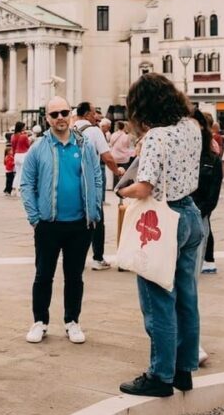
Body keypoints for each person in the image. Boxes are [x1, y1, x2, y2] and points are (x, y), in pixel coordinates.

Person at [117, 73, 204, 398]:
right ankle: (183, 370)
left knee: (158, 300)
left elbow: (144, 187)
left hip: (164, 219)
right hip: (191, 215)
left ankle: (160, 374)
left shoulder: (156, 136)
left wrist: (123, 190)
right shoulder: (192, 127)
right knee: (186, 297)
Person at [21, 96, 102, 345]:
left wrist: (95, 209)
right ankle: (40, 321)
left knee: (74, 276)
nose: (60, 118)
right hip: (48, 224)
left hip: (80, 224)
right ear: (47, 118)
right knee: (43, 275)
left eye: (64, 113)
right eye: (54, 114)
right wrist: (35, 218)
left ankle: (72, 321)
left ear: (71, 114)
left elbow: (97, 176)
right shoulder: (38, 148)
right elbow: (26, 184)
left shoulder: (85, 145)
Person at [75, 101, 123, 271]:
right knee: (97, 219)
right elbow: (107, 158)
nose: (97, 116)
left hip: (72, 180)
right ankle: (97, 258)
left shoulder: (71, 128)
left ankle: (76, 257)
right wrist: (117, 172)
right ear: (87, 114)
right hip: (91, 181)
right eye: (95, 113)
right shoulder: (94, 131)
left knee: (76, 220)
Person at [191, 109, 223, 275]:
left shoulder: (212, 158)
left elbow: (213, 196)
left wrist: (200, 210)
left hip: (200, 210)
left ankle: (207, 260)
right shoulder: (182, 155)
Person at [10, 122, 30, 195]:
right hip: (23, 154)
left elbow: (13, 146)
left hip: (16, 155)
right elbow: (28, 145)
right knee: (22, 173)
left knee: (17, 173)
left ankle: (14, 188)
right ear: (21, 127)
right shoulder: (24, 136)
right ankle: (19, 190)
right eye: (24, 127)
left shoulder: (13, 136)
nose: (25, 128)